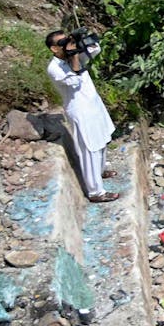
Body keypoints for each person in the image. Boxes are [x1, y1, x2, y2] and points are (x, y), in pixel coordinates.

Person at [46, 29, 119, 203]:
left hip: (94, 106)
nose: (67, 45)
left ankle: (100, 172)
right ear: (54, 49)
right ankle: (95, 192)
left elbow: (95, 50)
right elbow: (73, 81)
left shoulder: (73, 56)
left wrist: (83, 40)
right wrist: (74, 57)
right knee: (89, 148)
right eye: (62, 43)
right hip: (80, 111)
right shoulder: (54, 68)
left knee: (101, 141)